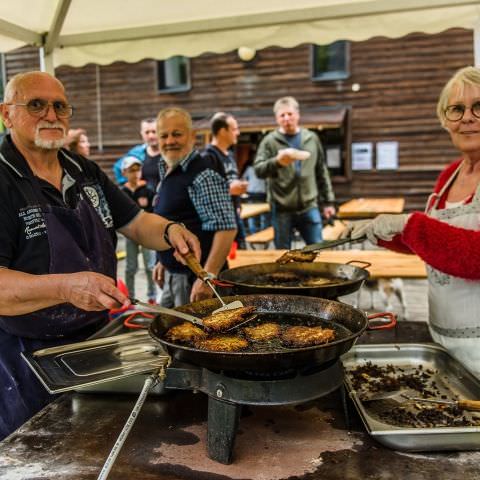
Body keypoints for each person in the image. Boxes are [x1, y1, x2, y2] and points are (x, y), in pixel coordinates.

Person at [0, 71, 200, 439]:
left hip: (97, 340)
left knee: (96, 441)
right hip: (27, 358)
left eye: (60, 106)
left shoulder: (82, 169)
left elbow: (137, 222)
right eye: (36, 105)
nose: (51, 115)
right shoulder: (4, 179)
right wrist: (67, 288)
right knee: (38, 454)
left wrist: (170, 230)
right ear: (6, 114)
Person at [342, 66, 480, 377]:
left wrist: (409, 225)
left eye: (478, 107)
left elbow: (475, 257)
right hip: (443, 335)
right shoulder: (450, 176)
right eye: (456, 109)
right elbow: (438, 245)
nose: (467, 118)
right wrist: (383, 234)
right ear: (444, 120)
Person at [153, 107, 237, 307]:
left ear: (192, 136)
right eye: (164, 135)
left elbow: (226, 229)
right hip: (176, 275)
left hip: (197, 282)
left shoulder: (203, 174)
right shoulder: (169, 169)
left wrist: (206, 277)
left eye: (177, 134)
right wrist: (162, 261)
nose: (170, 141)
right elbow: (176, 217)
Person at [254, 96, 336, 249]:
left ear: (297, 115)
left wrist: (328, 202)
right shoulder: (269, 141)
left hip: (309, 206)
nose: (286, 118)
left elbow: (321, 171)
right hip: (281, 209)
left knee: (317, 250)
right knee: (283, 255)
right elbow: (258, 170)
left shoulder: (311, 138)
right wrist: (277, 162)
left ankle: (314, 274)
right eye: (282, 115)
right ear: (277, 119)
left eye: (289, 114)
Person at [203, 112, 248, 248]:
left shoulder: (230, 155)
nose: (238, 133)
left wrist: (238, 204)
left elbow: (231, 180)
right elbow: (205, 192)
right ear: (223, 131)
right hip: (219, 222)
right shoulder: (208, 157)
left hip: (234, 214)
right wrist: (230, 190)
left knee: (242, 256)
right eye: (234, 129)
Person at [120, 156, 156, 303]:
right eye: (131, 170)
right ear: (124, 173)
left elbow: (154, 210)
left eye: (137, 169)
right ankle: (130, 296)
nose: (135, 173)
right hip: (130, 234)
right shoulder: (122, 192)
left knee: (150, 266)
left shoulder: (147, 190)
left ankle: (152, 295)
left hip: (146, 233)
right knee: (130, 267)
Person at [113, 118, 161, 190]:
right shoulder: (137, 152)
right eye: (147, 132)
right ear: (141, 134)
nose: (151, 136)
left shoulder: (168, 153)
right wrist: (128, 184)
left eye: (154, 132)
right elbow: (117, 168)